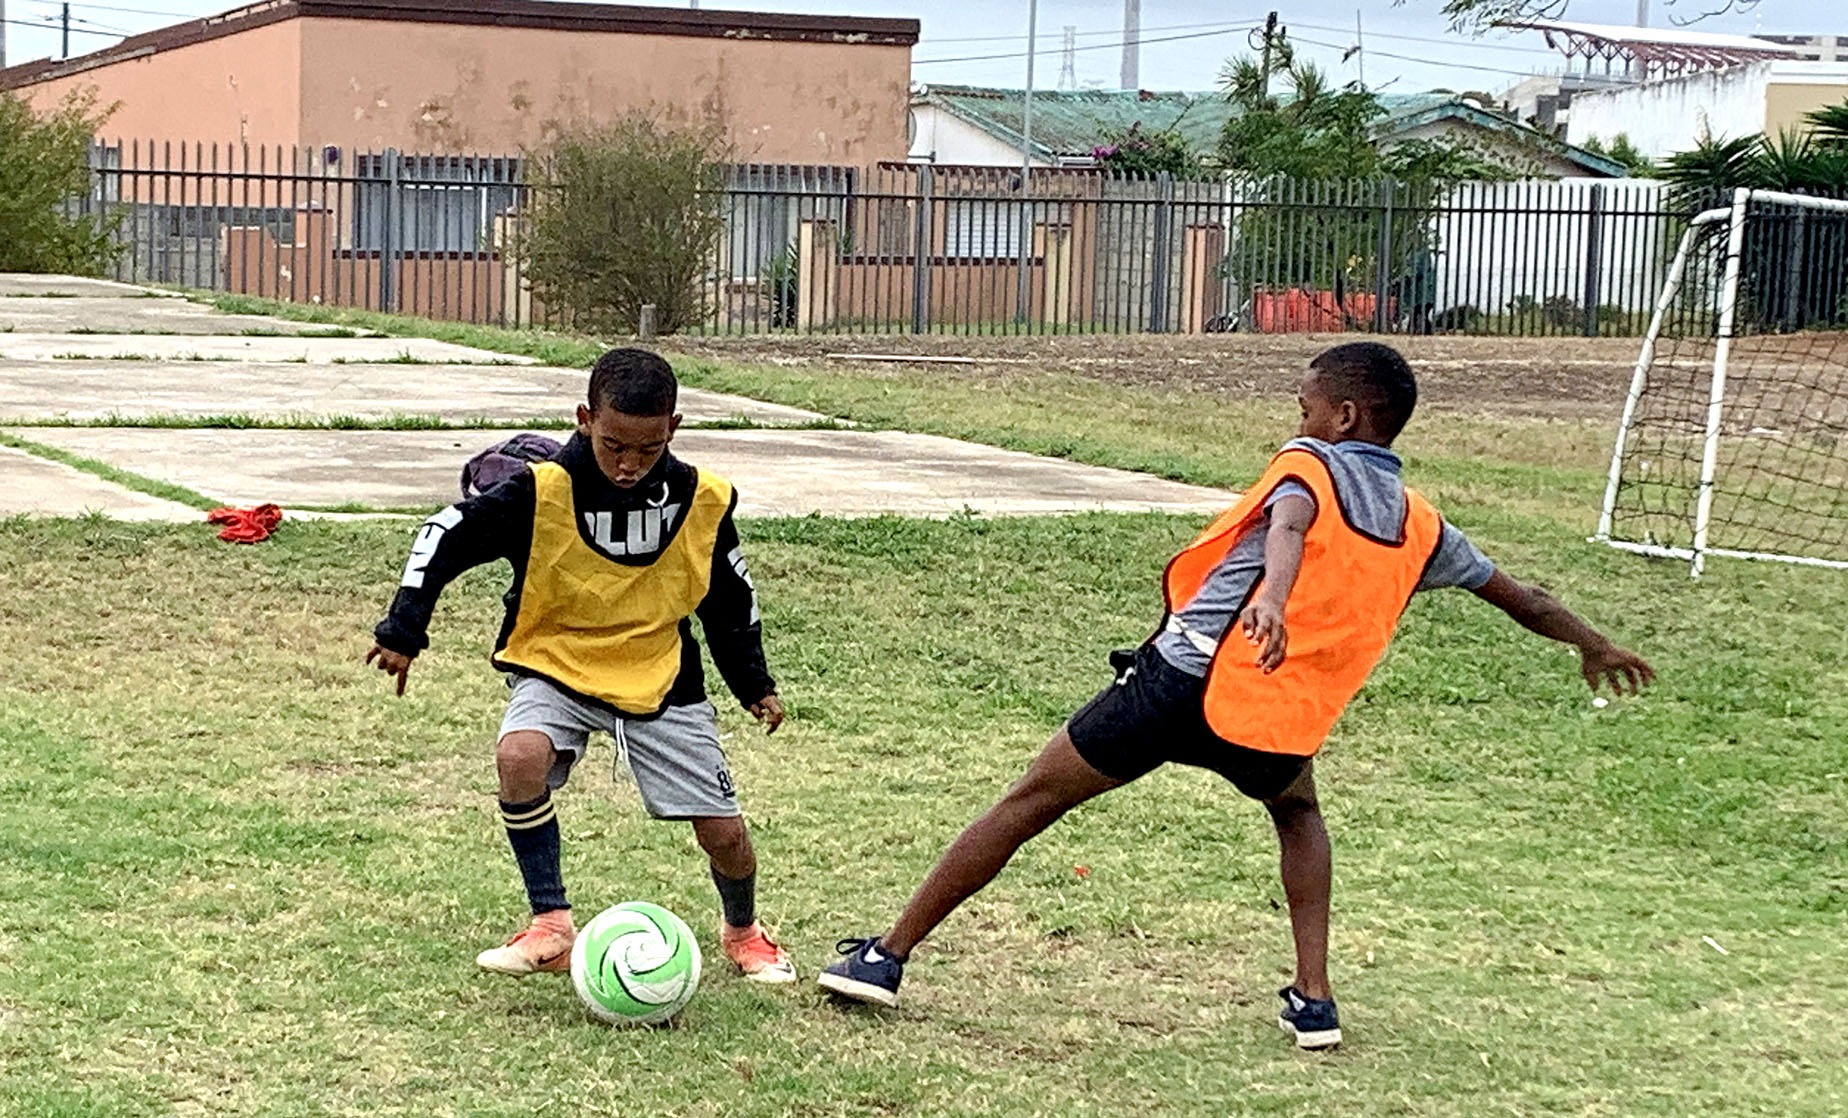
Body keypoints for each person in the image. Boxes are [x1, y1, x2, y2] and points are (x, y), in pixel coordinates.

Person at [818, 341, 1654, 1048]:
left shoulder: (1308, 466)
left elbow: (1288, 526)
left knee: (1030, 801)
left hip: (1182, 683)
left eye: (1304, 406)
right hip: (1269, 717)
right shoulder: (1423, 524)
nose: (1296, 421)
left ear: (1345, 418)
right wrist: (1594, 643)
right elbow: (1524, 598)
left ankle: (885, 957)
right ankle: (1315, 1001)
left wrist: (1272, 597)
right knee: (1297, 816)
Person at [365, 348, 796, 984]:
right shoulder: (540, 492)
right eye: (613, 444)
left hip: (659, 673)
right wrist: (405, 628)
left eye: (647, 450)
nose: (628, 464)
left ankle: (743, 932)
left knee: (724, 833)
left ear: (673, 428)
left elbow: (729, 598)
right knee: (519, 756)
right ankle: (550, 926)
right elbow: (444, 534)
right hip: (556, 663)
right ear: (585, 418)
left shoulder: (703, 498)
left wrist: (753, 682)